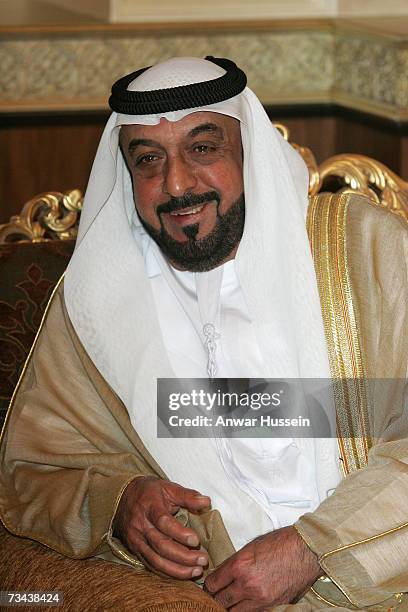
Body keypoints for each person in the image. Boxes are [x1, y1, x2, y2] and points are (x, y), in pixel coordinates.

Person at [0, 56, 407, 611]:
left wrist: (310, 548)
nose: (176, 184)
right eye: (148, 160)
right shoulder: (97, 301)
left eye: (203, 148)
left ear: (250, 152)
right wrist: (119, 501)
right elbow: (35, 468)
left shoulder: (366, 250)